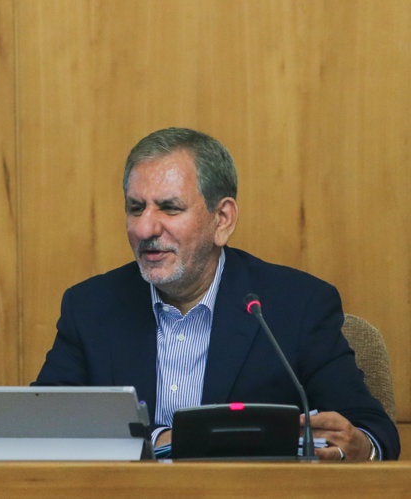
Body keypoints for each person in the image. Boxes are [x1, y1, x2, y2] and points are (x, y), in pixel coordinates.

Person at [34, 127, 399, 461]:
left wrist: (361, 447)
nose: (145, 229)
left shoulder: (296, 305)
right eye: (136, 208)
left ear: (222, 219)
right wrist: (164, 439)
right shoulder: (91, 307)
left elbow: (371, 429)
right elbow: (42, 424)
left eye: (170, 208)